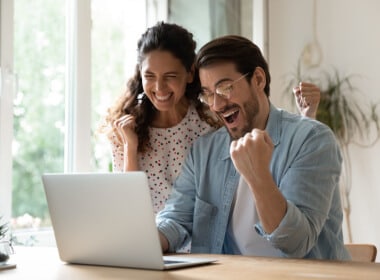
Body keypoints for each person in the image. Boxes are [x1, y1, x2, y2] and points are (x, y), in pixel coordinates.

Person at [156, 35, 350, 260]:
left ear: (258, 79)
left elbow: (296, 242)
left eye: (225, 88)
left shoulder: (312, 140)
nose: (216, 105)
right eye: (208, 94)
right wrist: (144, 239)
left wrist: (258, 176)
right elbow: (176, 219)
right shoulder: (204, 151)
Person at [102, 22, 320, 214]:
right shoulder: (127, 129)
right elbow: (128, 207)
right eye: (149, 76)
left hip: (201, 246)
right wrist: (131, 148)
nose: (159, 88)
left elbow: (263, 148)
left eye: (170, 76)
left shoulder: (209, 121)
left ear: (189, 74)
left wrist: (307, 119)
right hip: (151, 241)